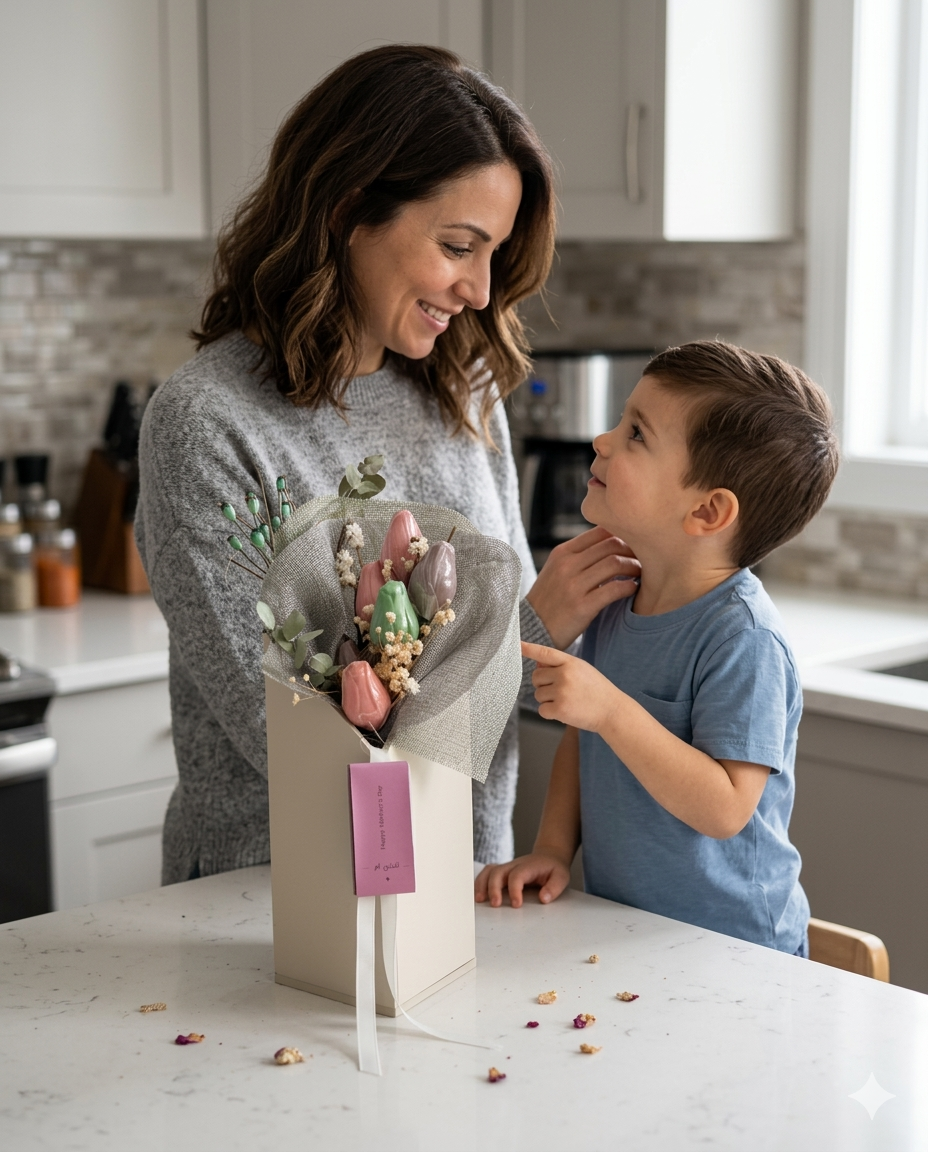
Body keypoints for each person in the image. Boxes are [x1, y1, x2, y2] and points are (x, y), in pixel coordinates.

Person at [136, 44, 640, 885]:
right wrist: (529, 630)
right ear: (347, 209)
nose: (481, 290)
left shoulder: (464, 394)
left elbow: (510, 692)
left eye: (493, 253)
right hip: (272, 905)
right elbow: (302, 750)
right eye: (458, 245)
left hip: (467, 888)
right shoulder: (208, 424)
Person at [476, 341, 840, 955]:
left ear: (707, 510)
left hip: (737, 951)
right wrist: (552, 849)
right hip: (630, 935)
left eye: (636, 434)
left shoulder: (743, 638)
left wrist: (610, 710)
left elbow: (726, 807)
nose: (602, 439)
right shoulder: (617, 598)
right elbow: (582, 742)